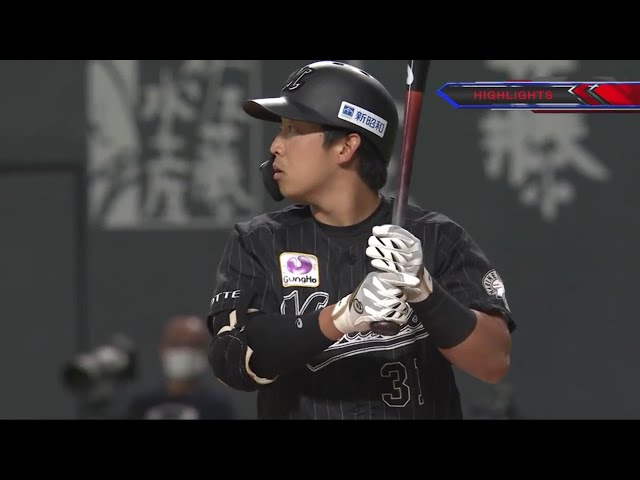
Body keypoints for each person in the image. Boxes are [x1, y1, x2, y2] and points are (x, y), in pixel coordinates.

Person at [206, 60, 516, 419]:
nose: (276, 145)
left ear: (346, 146)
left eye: (293, 130)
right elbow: (231, 358)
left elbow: (493, 362)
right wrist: (343, 315)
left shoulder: (434, 236)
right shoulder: (259, 240)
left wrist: (425, 290)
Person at [126, 314, 235, 420]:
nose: (185, 351)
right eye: (176, 343)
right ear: (162, 348)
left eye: (194, 345)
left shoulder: (217, 407)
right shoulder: (142, 403)